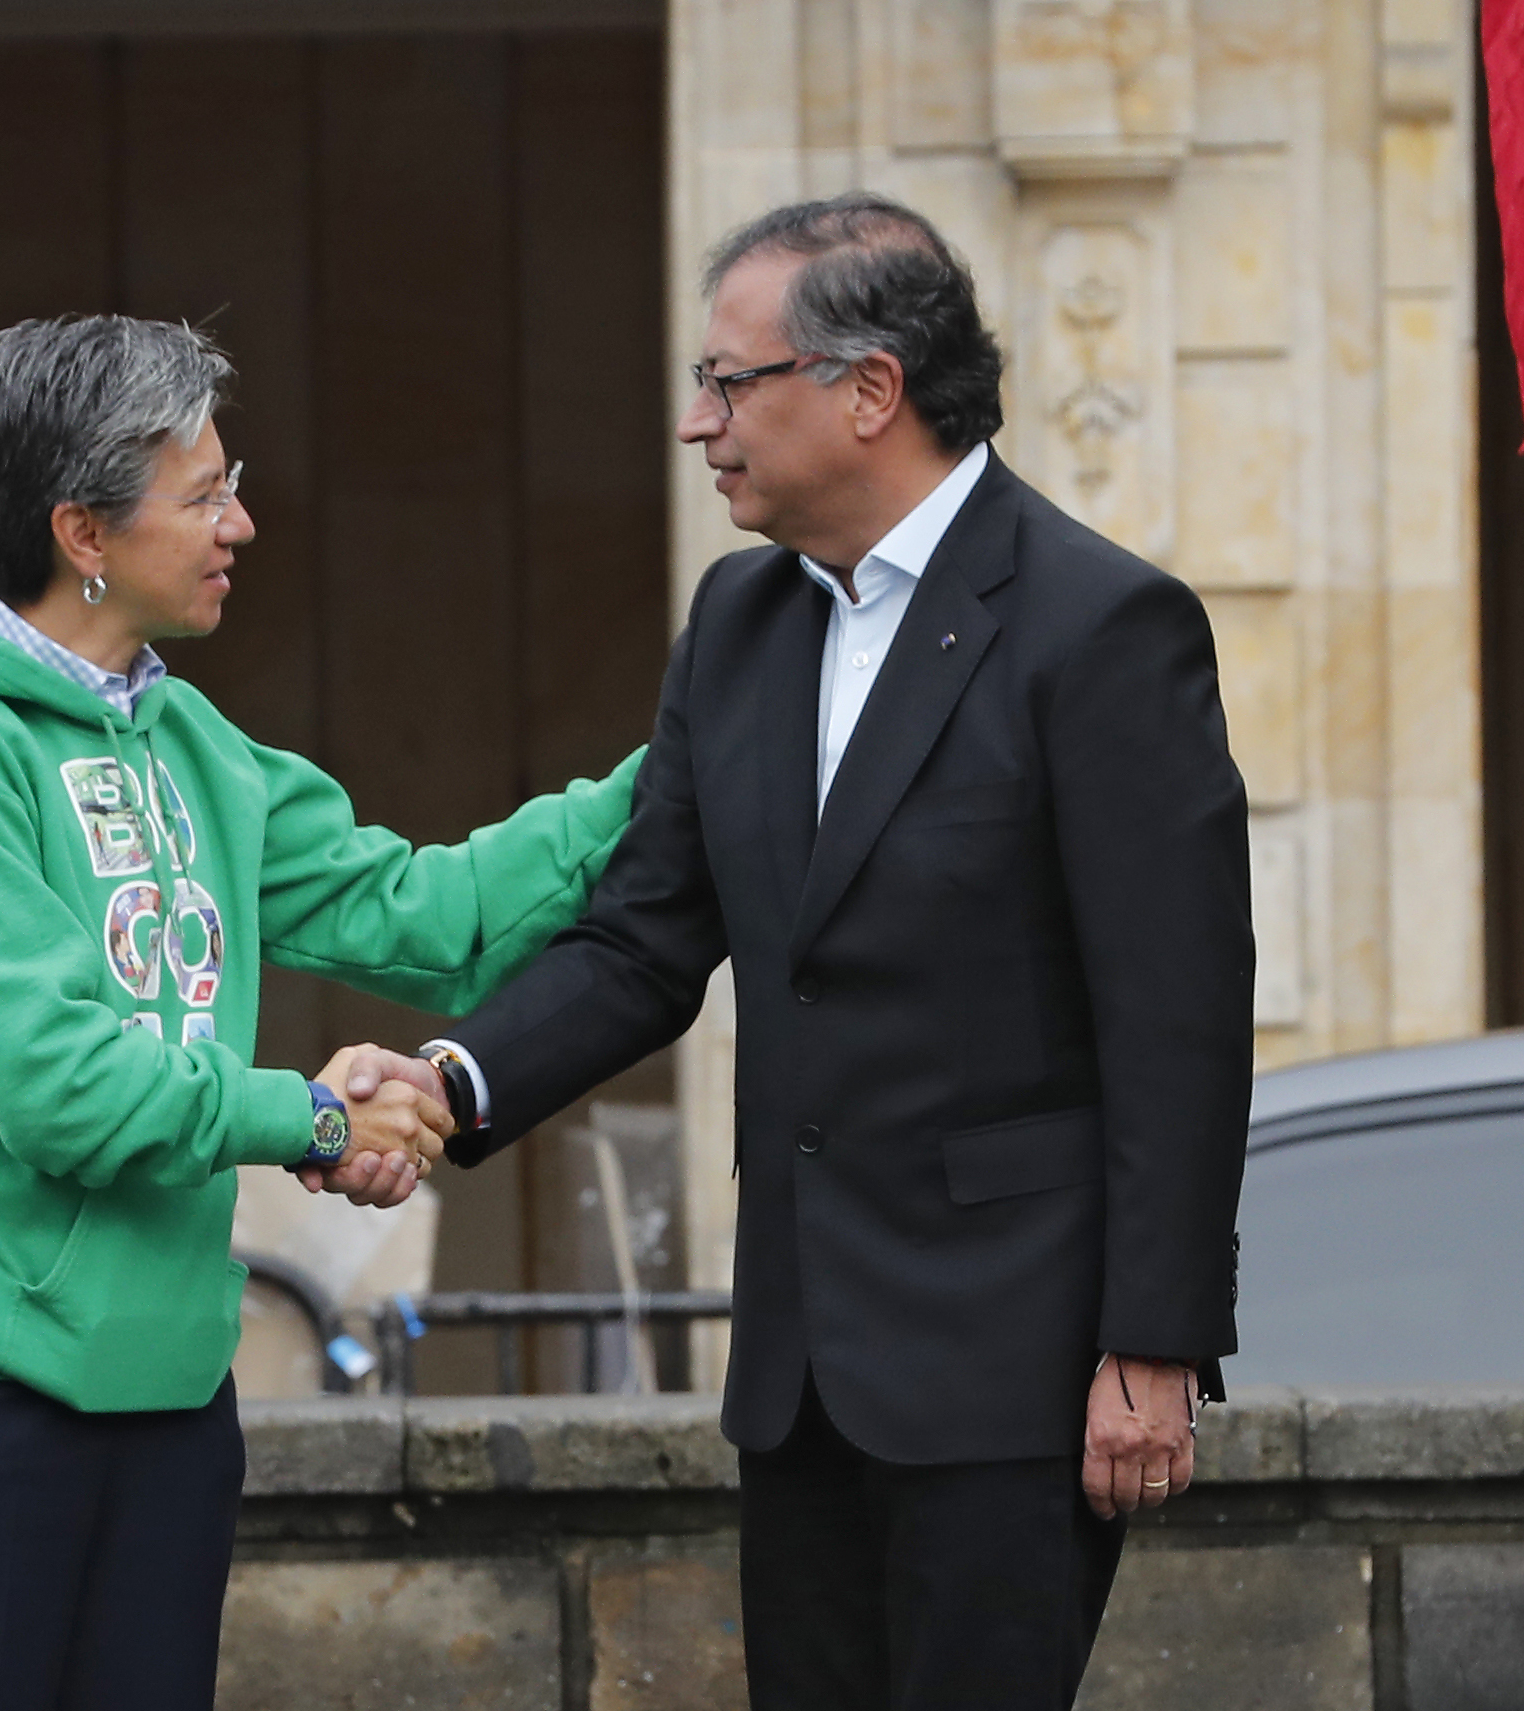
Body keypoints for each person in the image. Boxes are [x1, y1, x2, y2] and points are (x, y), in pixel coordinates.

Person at [404, 195, 1255, 1709]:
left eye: (731, 383)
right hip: (802, 1378)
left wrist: (1155, 1345)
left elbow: (1178, 1020)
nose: (695, 423)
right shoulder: (736, 623)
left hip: (1017, 1371)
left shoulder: (1099, 625)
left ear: (869, 391)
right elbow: (643, 941)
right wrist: (449, 1085)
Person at [0, 314, 640, 1710]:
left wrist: (683, 767)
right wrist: (309, 1116)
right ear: (84, 530)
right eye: (205, 493)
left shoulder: (196, 743)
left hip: (171, 1397)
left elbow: (437, 920)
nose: (241, 522)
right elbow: (63, 1085)